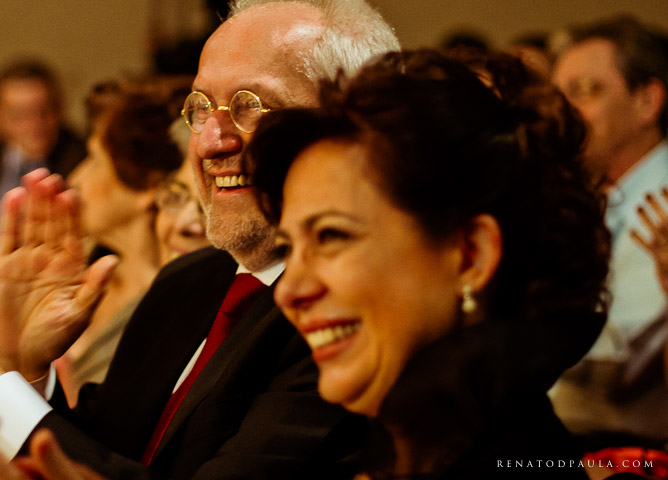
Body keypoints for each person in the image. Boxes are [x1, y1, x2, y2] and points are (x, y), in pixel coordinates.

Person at [0, 0, 400, 479]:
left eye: (250, 105)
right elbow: (95, 451)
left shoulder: (345, 314)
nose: (213, 140)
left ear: (352, 125)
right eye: (198, 108)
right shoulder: (188, 283)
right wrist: (22, 367)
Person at [245, 50, 609, 478]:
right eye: (289, 248)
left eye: (331, 236)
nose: (288, 291)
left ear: (471, 256)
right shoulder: (410, 445)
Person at [549, 15, 668, 445]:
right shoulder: (590, 196)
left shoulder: (662, 206)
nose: (563, 110)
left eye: (585, 91)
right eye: (557, 93)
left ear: (646, 102)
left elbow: (617, 356)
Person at [55, 79, 187, 406]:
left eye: (96, 160)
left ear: (147, 188)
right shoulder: (83, 266)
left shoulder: (173, 309)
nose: (76, 179)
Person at [0, 58, 86, 283]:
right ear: (1, 117)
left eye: (44, 111)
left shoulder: (79, 160)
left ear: (60, 108)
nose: (35, 124)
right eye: (20, 115)